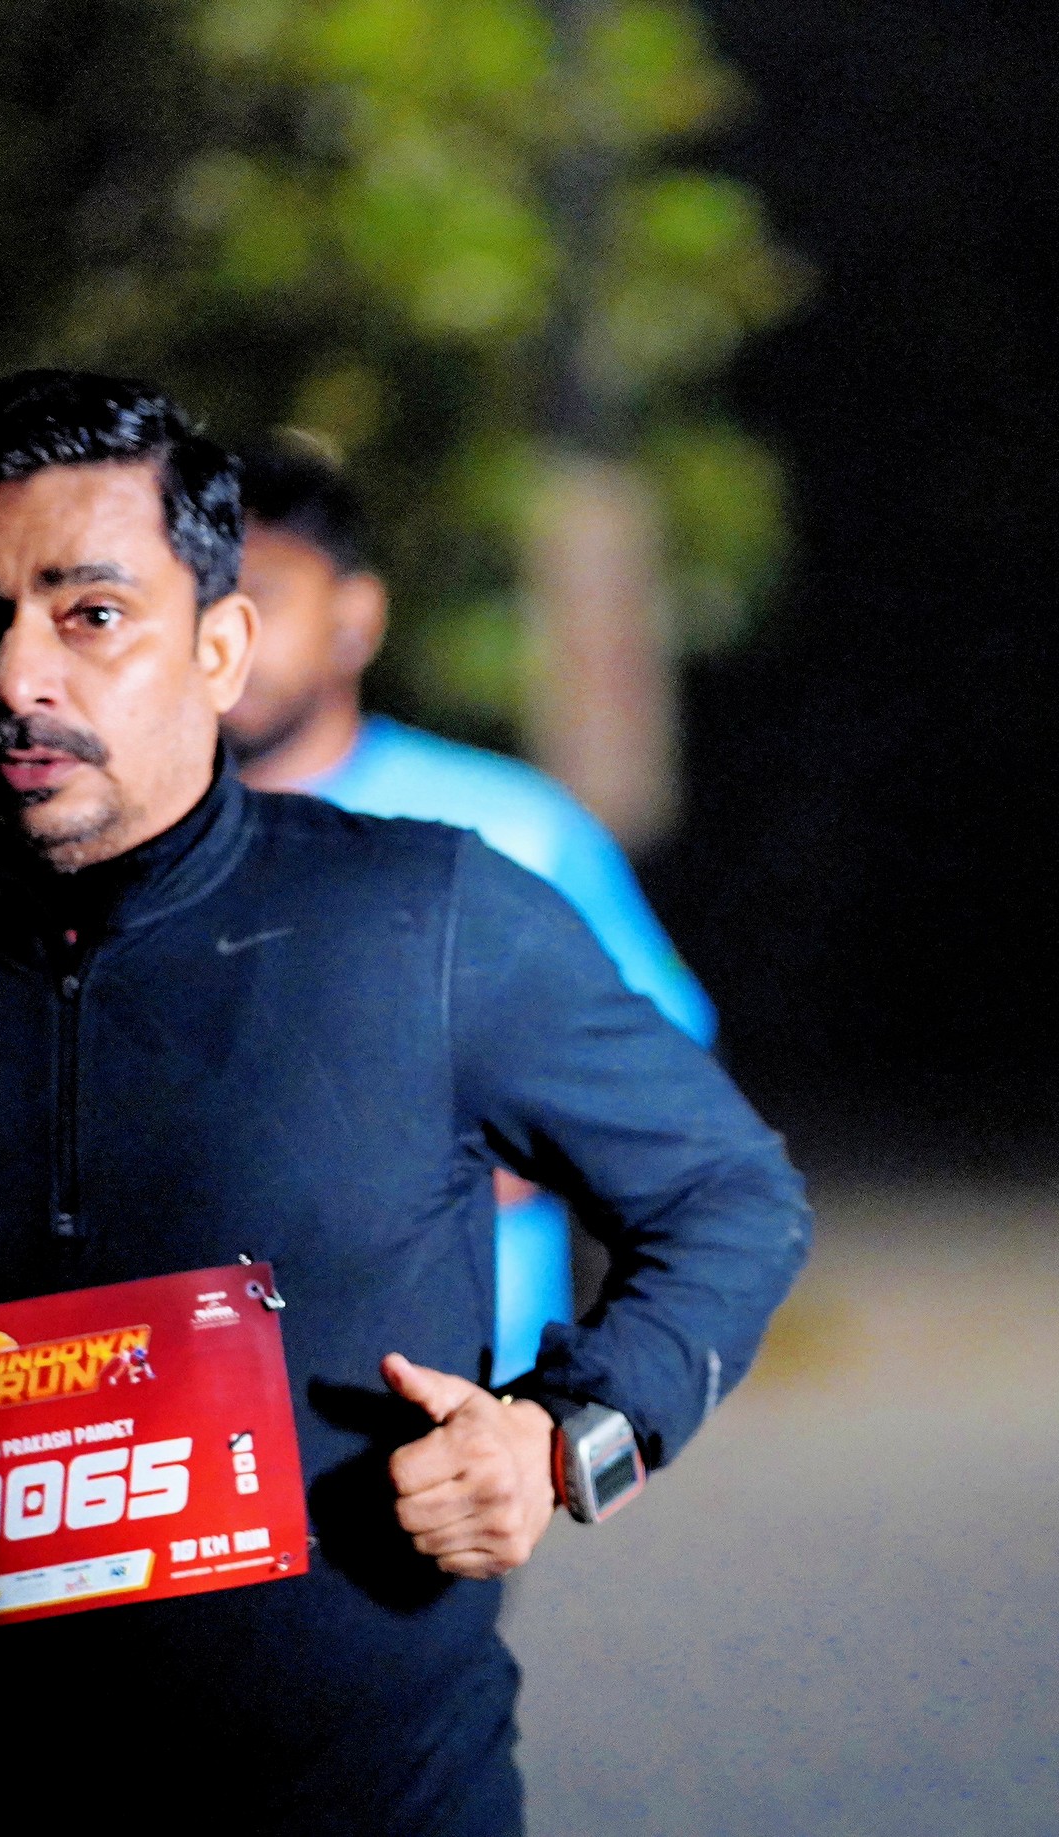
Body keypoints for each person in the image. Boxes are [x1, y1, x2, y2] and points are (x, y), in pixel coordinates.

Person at [0, 372, 810, 1833]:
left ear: (220, 645)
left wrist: (567, 1432)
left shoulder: (427, 920)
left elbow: (729, 1194)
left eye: (92, 612)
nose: (17, 676)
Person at [222, 444, 716, 1385]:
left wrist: (482, 1166)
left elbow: (660, 1059)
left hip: (464, 1381)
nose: (229, 633)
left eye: (265, 595)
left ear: (356, 615)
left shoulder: (508, 825)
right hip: (205, 1395)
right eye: (202, 600)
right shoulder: (121, 846)